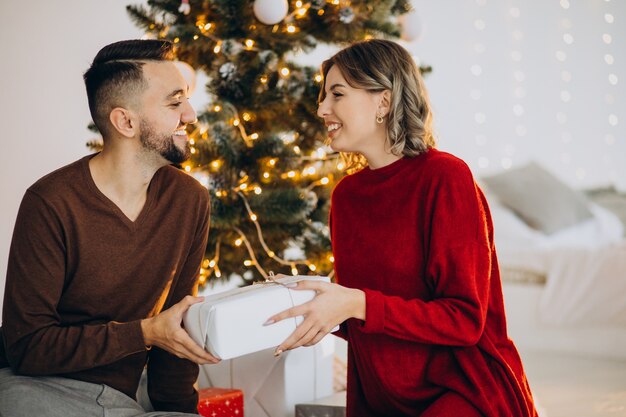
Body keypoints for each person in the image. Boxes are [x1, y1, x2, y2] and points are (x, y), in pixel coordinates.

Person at [266, 39, 538, 417]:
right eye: (323, 95)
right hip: (379, 396)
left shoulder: (445, 177)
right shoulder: (347, 196)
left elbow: (464, 321)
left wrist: (355, 302)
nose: (321, 108)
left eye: (337, 94)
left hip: (462, 390)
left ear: (384, 101)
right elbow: (368, 317)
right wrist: (307, 304)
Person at [0, 39, 219, 416]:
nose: (191, 114)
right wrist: (145, 333)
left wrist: (181, 411)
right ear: (126, 122)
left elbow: (177, 332)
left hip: (122, 400)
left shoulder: (189, 200)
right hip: (37, 390)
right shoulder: (50, 202)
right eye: (174, 102)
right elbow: (27, 346)